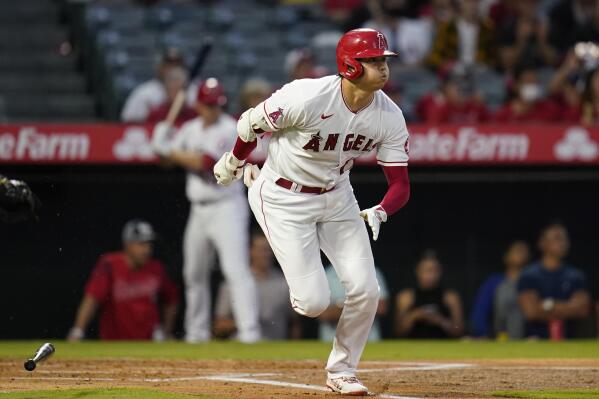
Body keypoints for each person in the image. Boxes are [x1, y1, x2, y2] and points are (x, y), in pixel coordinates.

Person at [213, 28, 411, 395]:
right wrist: (234, 160)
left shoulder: (389, 115)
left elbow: (400, 183)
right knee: (313, 303)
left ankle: (342, 370)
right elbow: (251, 123)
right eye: (374, 61)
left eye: (384, 60)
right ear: (351, 65)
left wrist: (382, 210)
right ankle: (254, 184)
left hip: (338, 197)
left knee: (368, 290)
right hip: (284, 198)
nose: (384, 68)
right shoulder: (307, 95)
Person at [151, 78, 261, 343]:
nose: (214, 109)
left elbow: (206, 162)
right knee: (193, 273)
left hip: (227, 206)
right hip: (199, 209)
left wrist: (170, 150)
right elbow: (165, 162)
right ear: (199, 105)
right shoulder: (189, 129)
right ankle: (196, 333)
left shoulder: (230, 128)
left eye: (217, 104)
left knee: (235, 270)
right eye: (209, 105)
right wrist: (160, 144)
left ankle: (249, 332)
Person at [67, 220, 179, 341]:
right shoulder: (110, 264)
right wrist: (78, 330)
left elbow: (171, 300)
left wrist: (166, 331)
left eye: (149, 244)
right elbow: (92, 299)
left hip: (149, 343)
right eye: (141, 244)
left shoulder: (156, 268)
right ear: (127, 244)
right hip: (114, 342)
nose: (147, 249)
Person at [213, 230, 301, 340]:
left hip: (276, 349)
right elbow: (219, 326)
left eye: (269, 250)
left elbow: (295, 322)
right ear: (250, 251)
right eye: (261, 250)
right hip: (242, 348)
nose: (266, 255)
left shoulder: (284, 282)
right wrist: (247, 323)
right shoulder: (234, 283)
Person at [518, 223, 591, 339]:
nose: (563, 243)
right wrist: (568, 308)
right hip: (535, 341)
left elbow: (582, 310)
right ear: (542, 243)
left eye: (565, 239)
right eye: (557, 238)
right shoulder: (529, 275)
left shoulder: (576, 276)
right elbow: (531, 312)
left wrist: (548, 305)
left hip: (569, 341)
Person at [395, 251, 464, 339]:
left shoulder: (450, 297)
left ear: (440, 271)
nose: (430, 275)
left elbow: (459, 332)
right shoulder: (406, 297)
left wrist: (439, 320)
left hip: (443, 348)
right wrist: (415, 316)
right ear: (417, 271)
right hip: (412, 348)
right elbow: (398, 332)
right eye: (426, 270)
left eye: (433, 270)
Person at [470, 241, 530, 339]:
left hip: (528, 340)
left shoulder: (533, 282)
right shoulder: (494, 282)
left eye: (525, 251)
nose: (522, 254)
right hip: (499, 338)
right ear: (506, 256)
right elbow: (479, 314)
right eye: (518, 250)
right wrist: (484, 334)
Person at [121, 47, 193, 123]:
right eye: (168, 65)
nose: (172, 69)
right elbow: (129, 120)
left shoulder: (193, 90)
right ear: (160, 67)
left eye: (177, 65)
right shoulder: (144, 92)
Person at [319, 265, 389, 342]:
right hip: (331, 342)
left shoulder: (371, 271)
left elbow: (381, 307)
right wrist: (360, 305)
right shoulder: (326, 274)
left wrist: (340, 307)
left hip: (368, 342)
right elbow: (323, 314)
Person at [426, 0, 497, 71]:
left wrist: (486, 65)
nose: (473, 5)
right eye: (468, 2)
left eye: (476, 2)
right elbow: (435, 56)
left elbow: (493, 56)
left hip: (480, 73)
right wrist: (446, 64)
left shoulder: (487, 29)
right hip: (454, 72)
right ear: (461, 4)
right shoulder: (448, 28)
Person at [416, 67, 490, 123]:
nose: (461, 88)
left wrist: (481, 106)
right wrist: (442, 104)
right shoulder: (437, 104)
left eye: (465, 83)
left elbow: (493, 128)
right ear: (445, 86)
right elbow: (431, 130)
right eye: (456, 83)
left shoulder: (475, 106)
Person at [494, 66, 560, 122]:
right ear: (516, 86)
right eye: (527, 82)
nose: (531, 85)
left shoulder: (550, 109)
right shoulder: (503, 115)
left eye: (534, 82)